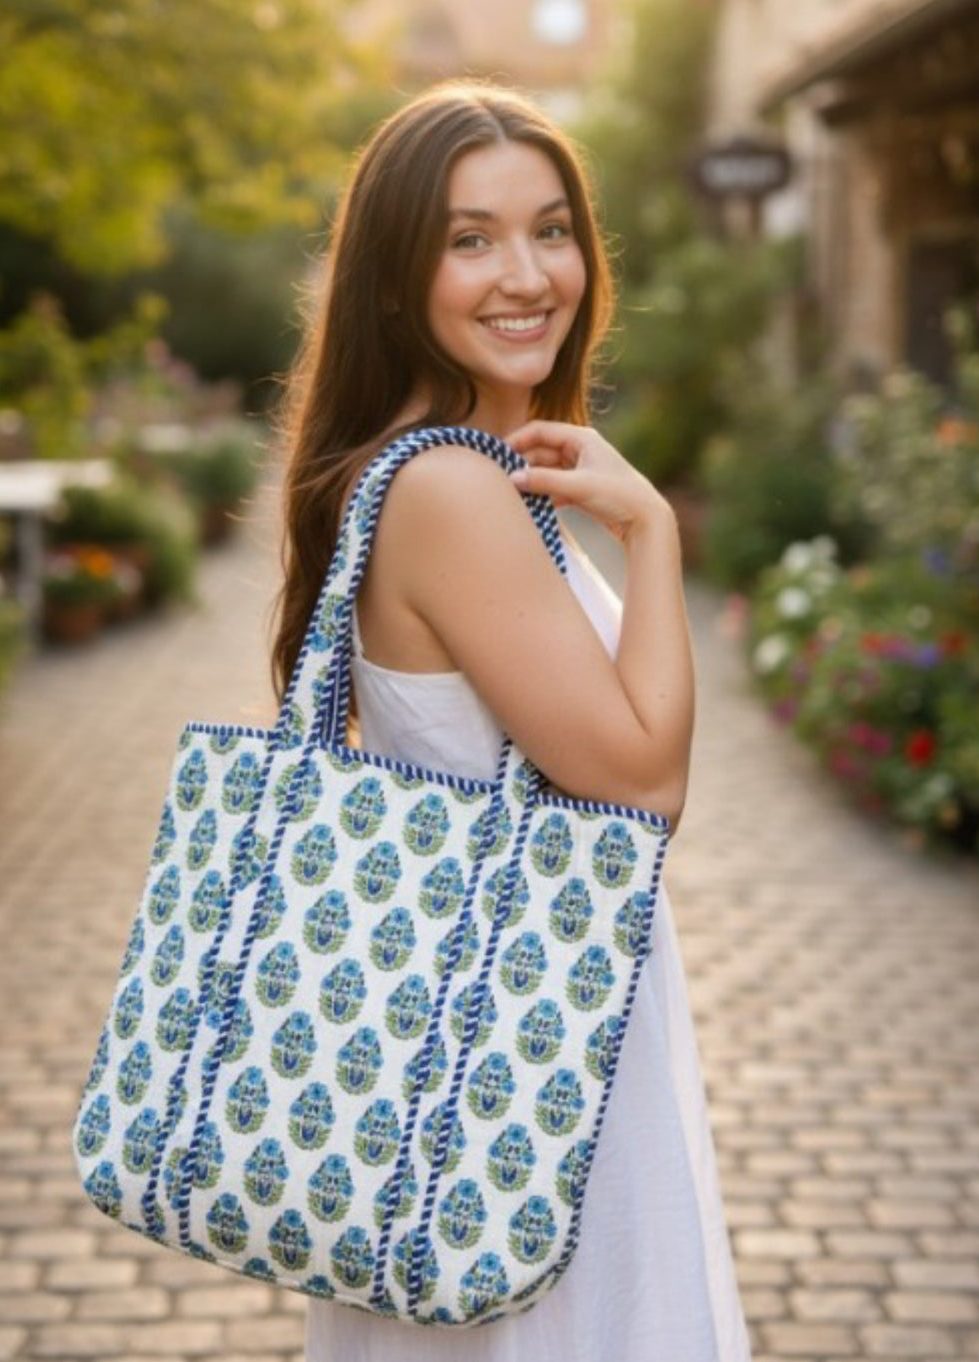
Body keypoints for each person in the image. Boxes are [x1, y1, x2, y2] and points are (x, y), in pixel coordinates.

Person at [272, 80, 752, 1362]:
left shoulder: (483, 472)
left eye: (552, 229)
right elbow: (640, 794)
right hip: (515, 1045)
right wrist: (650, 530)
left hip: (501, 1023)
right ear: (392, 281)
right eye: (469, 238)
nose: (527, 273)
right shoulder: (447, 490)